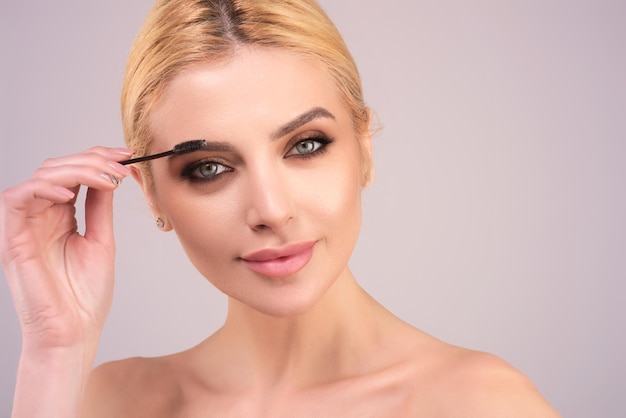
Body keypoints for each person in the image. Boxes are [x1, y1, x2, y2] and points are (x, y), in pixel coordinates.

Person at [0, 0, 560, 416]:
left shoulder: (480, 403)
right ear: (151, 193)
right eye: (211, 168)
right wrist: (55, 350)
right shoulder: (106, 401)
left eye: (306, 146)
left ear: (363, 147)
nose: (271, 209)